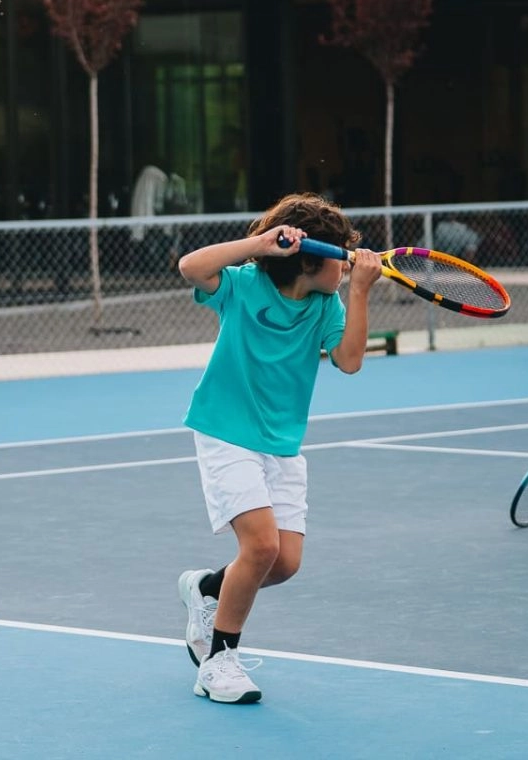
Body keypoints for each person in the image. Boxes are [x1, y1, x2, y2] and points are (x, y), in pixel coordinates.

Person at [173, 193, 381, 705]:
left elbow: (350, 361)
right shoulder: (244, 286)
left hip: (282, 443)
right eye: (341, 256)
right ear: (309, 259)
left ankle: (207, 590)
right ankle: (218, 661)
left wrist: (359, 291)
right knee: (260, 547)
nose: (346, 262)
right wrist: (259, 244)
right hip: (225, 430)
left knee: (283, 562)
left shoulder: (325, 304)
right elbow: (189, 267)